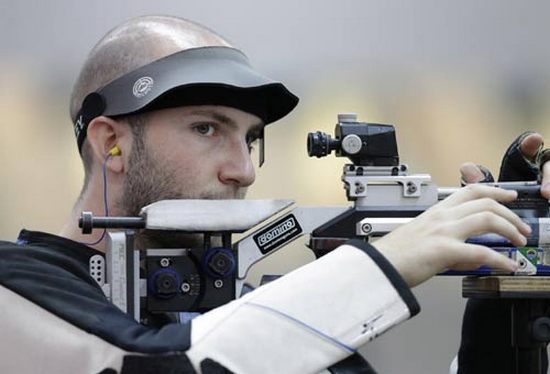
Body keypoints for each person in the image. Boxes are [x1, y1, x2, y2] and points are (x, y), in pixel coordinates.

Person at [0, 15, 543, 374]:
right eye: (207, 128)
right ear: (111, 143)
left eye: (252, 138)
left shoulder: (256, 319)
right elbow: (148, 363)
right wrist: (382, 264)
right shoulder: (15, 288)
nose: (243, 170)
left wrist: (508, 294)